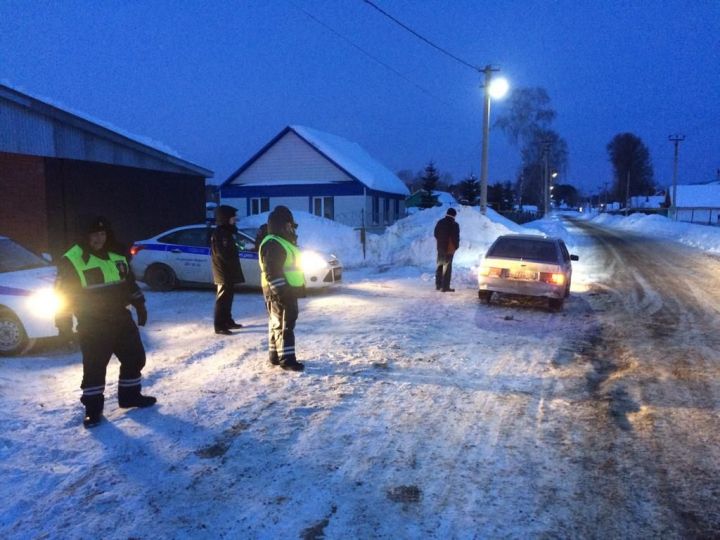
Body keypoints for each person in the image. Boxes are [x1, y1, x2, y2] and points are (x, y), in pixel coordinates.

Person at [55, 216, 156, 428]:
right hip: (93, 323)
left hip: (120, 317)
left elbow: (127, 283)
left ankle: (129, 396)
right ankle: (93, 410)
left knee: (135, 357)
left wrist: (140, 304)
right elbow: (62, 295)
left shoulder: (116, 254)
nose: (99, 238)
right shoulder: (72, 260)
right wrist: (64, 324)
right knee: (94, 367)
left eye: (102, 234)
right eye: (94, 234)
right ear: (84, 236)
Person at [258, 206, 305, 372]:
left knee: (278, 323)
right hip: (280, 290)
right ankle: (287, 360)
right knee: (284, 325)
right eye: (289, 225)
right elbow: (271, 271)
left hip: (284, 289)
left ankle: (276, 356)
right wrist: (281, 292)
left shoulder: (280, 241)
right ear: (282, 225)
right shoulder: (273, 244)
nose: (291, 228)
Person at [211, 205, 245, 335]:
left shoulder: (227, 232)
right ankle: (219, 325)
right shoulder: (221, 233)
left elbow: (232, 249)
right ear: (225, 218)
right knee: (223, 298)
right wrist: (232, 264)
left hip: (228, 271)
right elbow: (223, 253)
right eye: (232, 217)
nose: (235, 220)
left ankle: (228, 321)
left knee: (228, 297)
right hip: (223, 271)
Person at [434, 207, 460, 292]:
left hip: (441, 247)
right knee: (447, 268)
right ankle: (445, 287)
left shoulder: (440, 222)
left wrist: (440, 242)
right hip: (449, 249)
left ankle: (438, 285)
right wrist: (456, 246)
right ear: (454, 215)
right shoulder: (455, 225)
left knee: (440, 265)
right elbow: (455, 237)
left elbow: (436, 233)